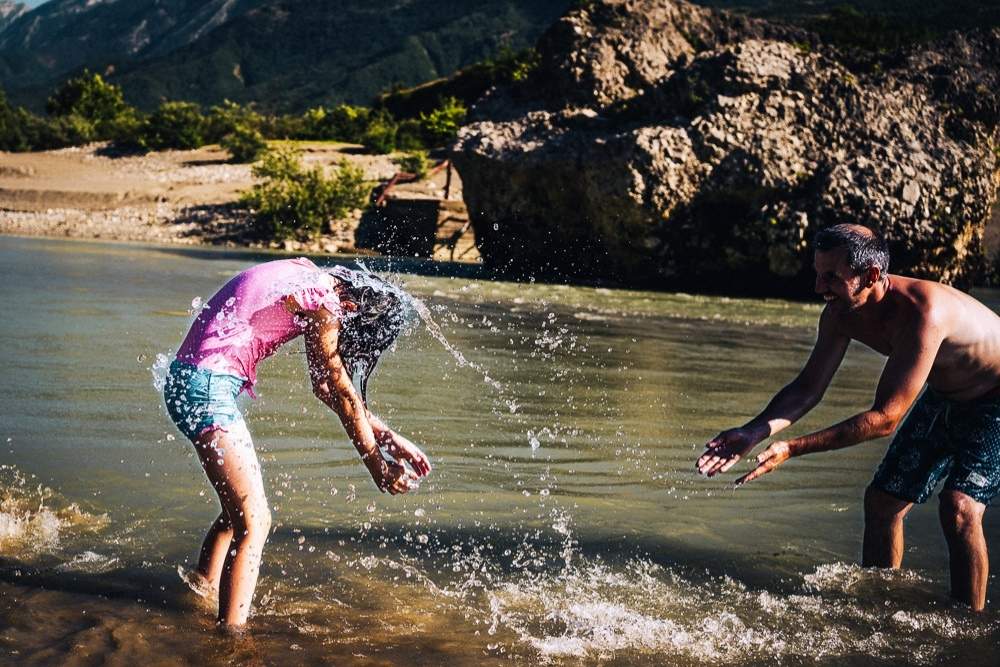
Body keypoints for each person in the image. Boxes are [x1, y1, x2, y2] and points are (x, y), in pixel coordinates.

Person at [696, 223, 1000, 611]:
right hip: (946, 394)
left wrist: (791, 448)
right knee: (881, 502)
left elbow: (885, 419)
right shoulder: (840, 313)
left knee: (958, 509)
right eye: (817, 273)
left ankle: (967, 629)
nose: (818, 288)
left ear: (872, 276)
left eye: (832, 278)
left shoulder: (924, 313)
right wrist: (753, 431)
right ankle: (879, 608)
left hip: (995, 398)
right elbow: (807, 388)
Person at [162, 257, 431, 630]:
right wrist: (376, 464)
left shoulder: (310, 275)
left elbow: (325, 387)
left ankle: (198, 592)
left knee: (236, 512)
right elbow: (342, 391)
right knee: (255, 522)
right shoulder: (325, 302)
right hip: (206, 391)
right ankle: (230, 640)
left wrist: (386, 436)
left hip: (188, 381)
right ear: (353, 308)